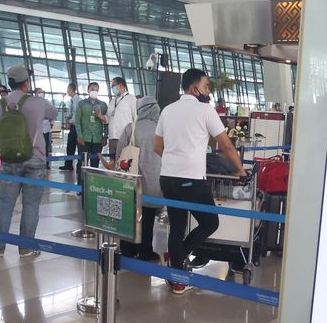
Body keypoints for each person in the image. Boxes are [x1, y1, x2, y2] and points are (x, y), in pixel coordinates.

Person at [155, 68, 246, 294]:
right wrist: (240, 169)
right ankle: (179, 262)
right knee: (209, 223)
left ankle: (176, 270)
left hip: (167, 177)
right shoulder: (205, 110)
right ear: (195, 88)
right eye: (206, 87)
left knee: (177, 226)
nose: (208, 92)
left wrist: (175, 159)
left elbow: (158, 147)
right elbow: (225, 144)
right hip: (191, 180)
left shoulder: (168, 110)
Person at [0, 66, 58, 258]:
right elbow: (54, 113)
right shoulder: (38, 102)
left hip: (9, 160)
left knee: (6, 203)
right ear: (27, 83)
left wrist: (1, 148)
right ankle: (26, 248)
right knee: (31, 205)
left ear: (9, 83)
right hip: (35, 159)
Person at [119, 95, 162, 263]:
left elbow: (119, 155)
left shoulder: (130, 128)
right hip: (154, 180)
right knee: (148, 217)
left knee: (130, 215)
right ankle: (145, 251)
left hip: (131, 179)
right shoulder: (161, 129)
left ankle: (128, 249)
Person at [74, 82, 108, 174]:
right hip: (84, 138)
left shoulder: (103, 105)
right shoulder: (82, 104)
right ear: (88, 90)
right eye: (92, 89)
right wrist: (79, 136)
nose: (94, 91)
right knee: (82, 162)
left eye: (96, 90)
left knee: (95, 163)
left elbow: (106, 122)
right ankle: (80, 185)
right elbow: (77, 121)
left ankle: (93, 185)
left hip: (98, 139)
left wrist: (105, 136)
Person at [105, 76, 136, 162]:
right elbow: (108, 119)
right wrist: (101, 116)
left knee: (123, 163)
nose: (112, 88)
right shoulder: (112, 101)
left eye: (113, 86)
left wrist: (133, 136)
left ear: (121, 85)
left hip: (124, 137)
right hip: (112, 137)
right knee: (113, 162)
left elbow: (136, 118)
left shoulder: (131, 99)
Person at [62, 83, 80, 170]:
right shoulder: (71, 101)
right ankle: (68, 165)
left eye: (68, 90)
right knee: (70, 146)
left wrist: (70, 121)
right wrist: (67, 118)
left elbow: (77, 115)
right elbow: (71, 113)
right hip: (73, 127)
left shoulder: (78, 101)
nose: (67, 91)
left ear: (71, 90)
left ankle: (79, 166)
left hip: (78, 127)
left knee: (79, 147)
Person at [34, 87, 53, 169]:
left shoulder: (47, 103)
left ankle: (46, 163)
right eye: (39, 92)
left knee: (45, 146)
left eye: (42, 92)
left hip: (45, 128)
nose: (41, 93)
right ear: (35, 94)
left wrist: (51, 123)